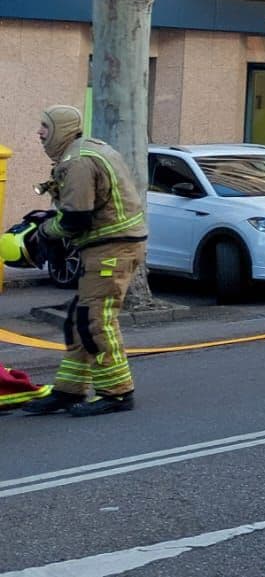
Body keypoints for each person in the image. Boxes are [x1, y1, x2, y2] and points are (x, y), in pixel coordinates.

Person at [19, 105, 147, 416]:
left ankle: (117, 393)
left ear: (60, 129)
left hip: (111, 249)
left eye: (45, 126)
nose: (39, 132)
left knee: (95, 320)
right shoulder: (83, 152)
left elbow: (76, 218)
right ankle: (69, 390)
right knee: (80, 318)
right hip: (107, 246)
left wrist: (44, 232)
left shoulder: (77, 162)